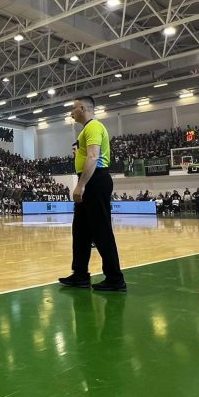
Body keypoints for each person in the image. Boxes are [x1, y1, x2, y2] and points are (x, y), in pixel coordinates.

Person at [58, 96, 126, 292]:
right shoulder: (85, 130)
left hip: (95, 181)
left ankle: (115, 278)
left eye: (73, 109)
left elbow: (94, 156)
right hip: (90, 181)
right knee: (80, 231)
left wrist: (81, 185)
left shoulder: (94, 127)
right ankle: (80, 275)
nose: (71, 112)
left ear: (82, 108)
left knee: (101, 230)